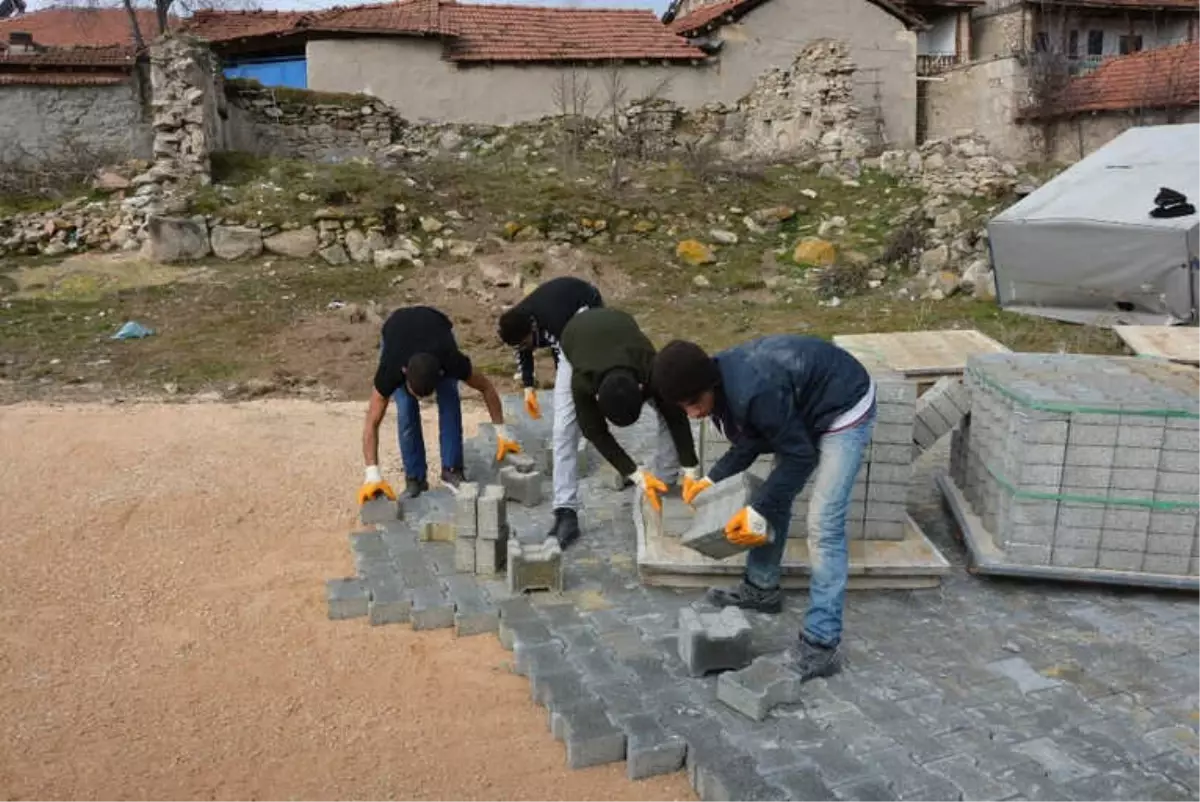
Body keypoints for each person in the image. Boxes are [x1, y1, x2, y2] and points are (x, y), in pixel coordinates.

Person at [650, 335, 876, 681]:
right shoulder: (723, 384)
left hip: (844, 405)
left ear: (709, 383)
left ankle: (821, 643)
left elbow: (801, 455)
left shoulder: (755, 389)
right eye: (683, 407)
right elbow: (752, 438)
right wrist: (711, 479)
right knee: (774, 495)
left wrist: (756, 510)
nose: (693, 413)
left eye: (695, 402)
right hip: (800, 407)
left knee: (823, 525)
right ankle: (761, 588)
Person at [557, 307, 701, 548]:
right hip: (575, 333)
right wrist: (636, 475)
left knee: (667, 406)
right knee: (564, 426)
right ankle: (563, 507)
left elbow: (675, 415)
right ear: (598, 399)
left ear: (641, 388)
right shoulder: (582, 380)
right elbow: (595, 432)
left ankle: (665, 485)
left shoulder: (651, 368)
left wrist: (691, 469)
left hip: (621, 326)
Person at [357, 306, 520, 504]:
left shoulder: (451, 361)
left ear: (440, 373)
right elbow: (371, 422)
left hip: (437, 328)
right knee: (406, 410)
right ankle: (415, 479)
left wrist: (502, 433)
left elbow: (486, 387)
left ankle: (452, 471)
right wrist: (372, 474)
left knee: (450, 399)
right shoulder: (390, 369)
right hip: (396, 331)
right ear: (404, 373)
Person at [497, 276, 604, 546]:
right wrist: (529, 386)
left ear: (534, 328)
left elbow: (565, 360)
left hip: (587, 311)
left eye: (526, 342)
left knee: (575, 415)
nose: (525, 348)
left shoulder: (555, 321)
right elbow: (521, 349)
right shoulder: (519, 319)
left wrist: (576, 396)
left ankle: (623, 463)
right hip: (563, 322)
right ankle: (565, 511)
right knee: (562, 431)